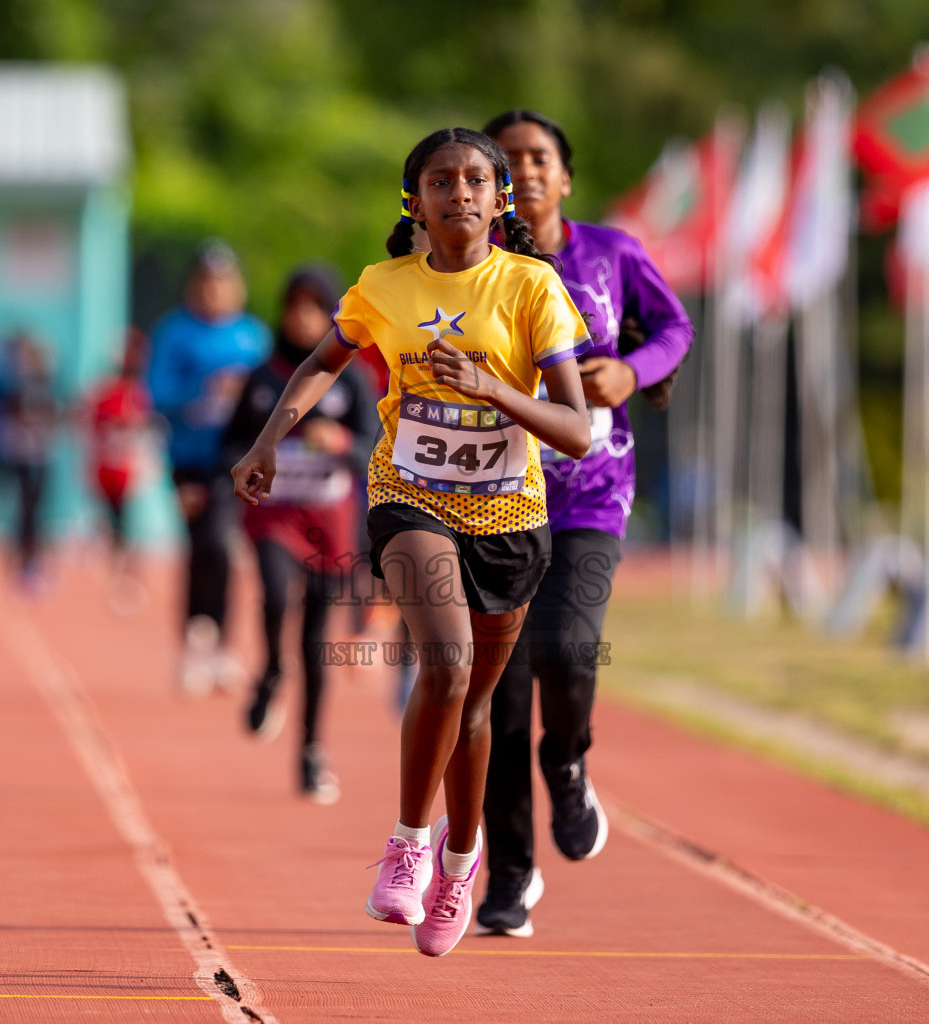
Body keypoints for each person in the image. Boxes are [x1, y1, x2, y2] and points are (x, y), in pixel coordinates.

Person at [231, 127, 592, 957]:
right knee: (448, 663)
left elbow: (575, 429)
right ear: (415, 201)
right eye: (440, 179)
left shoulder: (532, 287)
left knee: (476, 705)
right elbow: (324, 361)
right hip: (410, 498)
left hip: (509, 517)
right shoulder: (382, 286)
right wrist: (268, 440)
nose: (459, 191)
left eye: (474, 178)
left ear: (501, 198)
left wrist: (494, 390)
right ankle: (408, 843)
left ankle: (462, 866)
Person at [477, 110, 695, 938]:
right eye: (509, 161)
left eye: (540, 159)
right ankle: (509, 876)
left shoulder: (611, 254)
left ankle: (566, 762)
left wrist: (630, 371)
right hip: (493, 501)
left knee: (567, 650)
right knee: (496, 700)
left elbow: (675, 327)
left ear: (564, 177)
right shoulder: (474, 268)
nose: (525, 172)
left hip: (591, 497)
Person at [223, 265, 379, 804]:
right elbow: (232, 443)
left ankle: (312, 751)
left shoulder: (351, 378)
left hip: (331, 522)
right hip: (274, 515)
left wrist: (339, 442)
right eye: (295, 306)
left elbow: (376, 447)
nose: (303, 317)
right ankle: (269, 670)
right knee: (270, 592)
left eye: (316, 307)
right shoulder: (263, 377)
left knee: (317, 646)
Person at [148, 241, 271, 693]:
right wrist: (203, 391)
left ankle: (218, 644)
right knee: (202, 547)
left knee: (222, 546)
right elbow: (156, 394)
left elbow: (271, 394)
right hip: (189, 461)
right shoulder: (175, 332)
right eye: (206, 281)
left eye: (222, 280)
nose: (214, 289)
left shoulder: (251, 335)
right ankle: (196, 643)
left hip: (235, 461)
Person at [0, 334, 58, 591]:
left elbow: (53, 416)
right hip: (21, 454)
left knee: (38, 511)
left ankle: (34, 559)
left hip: (41, 455)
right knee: (24, 511)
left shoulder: (48, 386)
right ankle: (21, 562)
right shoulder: (15, 387)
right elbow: (9, 414)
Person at [87, 328, 153, 612]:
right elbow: (93, 430)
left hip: (130, 471)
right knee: (116, 529)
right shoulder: (105, 395)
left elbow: (146, 430)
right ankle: (118, 578)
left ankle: (130, 579)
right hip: (109, 471)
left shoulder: (138, 395)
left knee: (132, 528)